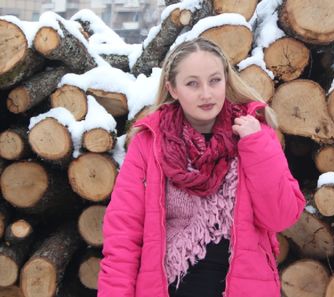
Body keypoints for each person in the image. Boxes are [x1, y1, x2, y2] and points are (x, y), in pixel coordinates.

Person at [97, 37, 305, 297]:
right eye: (192, 83)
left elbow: (281, 217)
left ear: (226, 81)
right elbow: (123, 235)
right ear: (173, 88)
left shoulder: (255, 135)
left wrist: (256, 145)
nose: (206, 93)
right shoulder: (149, 144)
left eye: (214, 80)